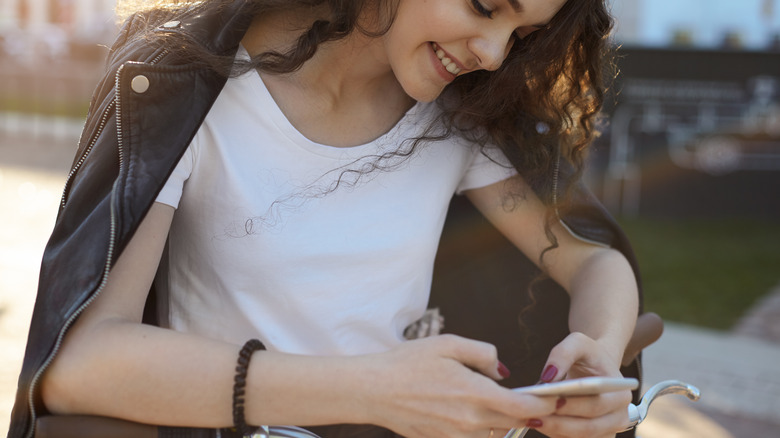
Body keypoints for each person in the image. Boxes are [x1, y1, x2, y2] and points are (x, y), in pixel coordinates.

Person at [9, 0, 641, 437]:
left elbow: (594, 262)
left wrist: (599, 359)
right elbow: (81, 364)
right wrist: (371, 390)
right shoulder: (187, 84)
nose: (495, 55)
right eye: (484, 6)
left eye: (523, 35)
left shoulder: (462, 117)